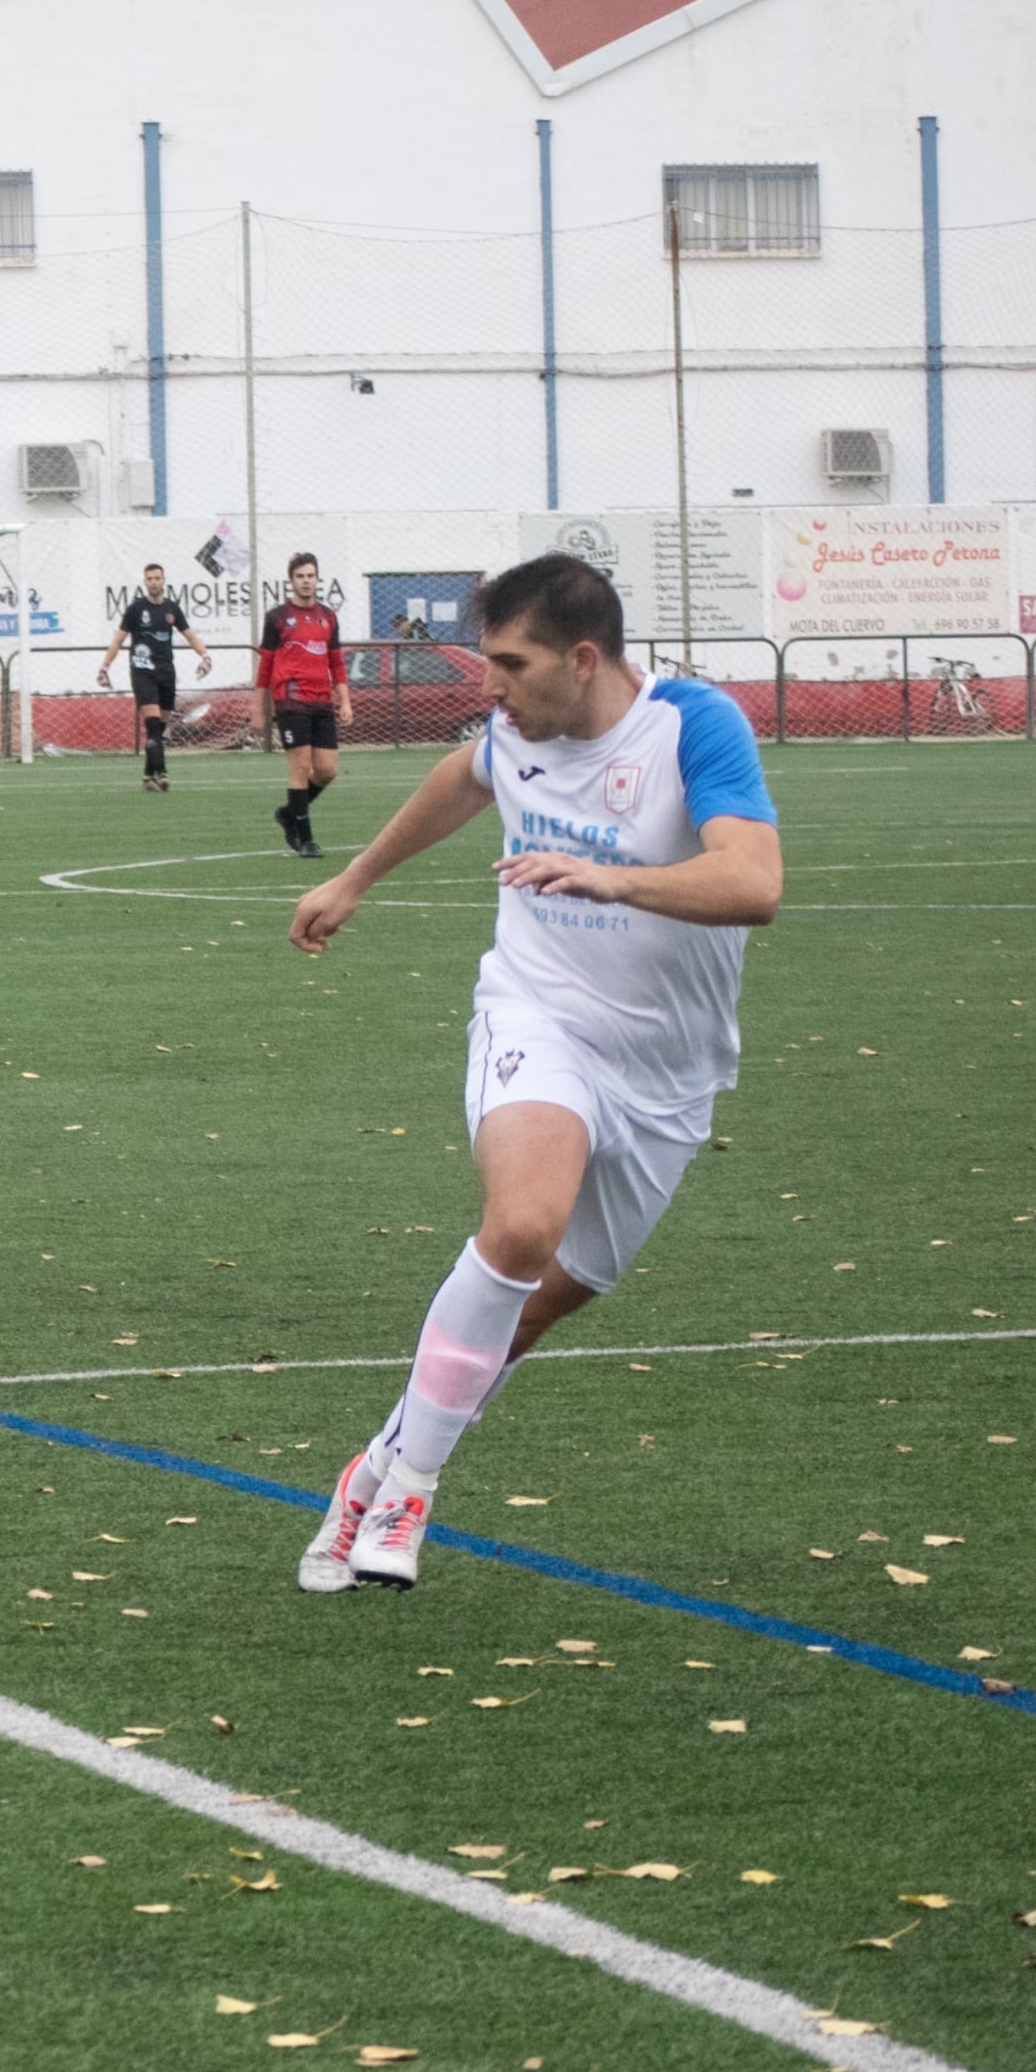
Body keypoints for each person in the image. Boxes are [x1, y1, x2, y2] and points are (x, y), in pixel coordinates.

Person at [284, 552, 781, 1591]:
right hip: (538, 1015)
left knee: (540, 1303)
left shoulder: (692, 727)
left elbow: (753, 881)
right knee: (519, 1227)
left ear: (584, 658)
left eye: (509, 664)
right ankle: (411, 1489)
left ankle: (372, 1467)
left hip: (667, 1075)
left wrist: (612, 878)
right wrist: (356, 875)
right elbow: (463, 777)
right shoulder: (513, 732)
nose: (490, 688)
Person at [259, 553, 356, 857]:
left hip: (321, 701)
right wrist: (257, 708)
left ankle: (289, 814)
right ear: (291, 581)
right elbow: (265, 665)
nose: (306, 581)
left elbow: (336, 661)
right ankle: (306, 840)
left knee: (326, 770)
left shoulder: (328, 617)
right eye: (300, 576)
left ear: (317, 579)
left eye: (310, 576)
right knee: (301, 767)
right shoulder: (277, 618)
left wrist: (345, 699)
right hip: (291, 700)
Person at [96, 562, 214, 790]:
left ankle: (148, 774)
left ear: (163, 580)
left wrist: (205, 656)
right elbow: (119, 639)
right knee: (152, 724)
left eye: (157, 578)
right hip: (142, 672)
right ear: (145, 581)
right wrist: (105, 666)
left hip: (166, 673)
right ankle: (162, 773)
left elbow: (189, 635)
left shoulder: (171, 609)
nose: (154, 582)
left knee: (160, 728)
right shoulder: (136, 609)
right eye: (149, 579)